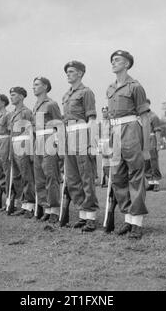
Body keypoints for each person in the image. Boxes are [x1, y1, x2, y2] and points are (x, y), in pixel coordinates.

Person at [106, 50, 150, 239]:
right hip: (114, 133)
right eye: (112, 61)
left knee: (136, 175)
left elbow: (145, 117)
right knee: (117, 176)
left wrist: (146, 147)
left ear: (126, 64)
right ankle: (128, 218)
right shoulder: (110, 88)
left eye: (117, 60)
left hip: (131, 129)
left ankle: (137, 222)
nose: (113, 63)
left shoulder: (135, 86)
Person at [62, 61, 99, 232]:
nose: (68, 74)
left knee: (86, 176)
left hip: (83, 134)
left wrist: (92, 142)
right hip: (69, 135)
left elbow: (91, 119)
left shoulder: (86, 92)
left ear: (80, 73)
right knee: (72, 177)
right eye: (67, 72)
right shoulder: (66, 95)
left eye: (71, 71)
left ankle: (90, 216)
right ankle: (82, 214)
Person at [33, 77, 62, 223]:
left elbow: (59, 124)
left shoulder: (51, 104)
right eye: (33, 85)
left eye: (37, 85)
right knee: (39, 177)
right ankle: (46, 208)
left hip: (49, 139)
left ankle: (55, 210)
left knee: (51, 175)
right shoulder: (36, 106)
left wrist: (58, 144)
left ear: (45, 86)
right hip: (38, 141)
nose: (34, 87)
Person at [8, 87, 35, 217]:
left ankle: (30, 205)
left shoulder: (26, 112)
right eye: (11, 95)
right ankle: (23, 204)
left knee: (26, 175)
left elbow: (30, 132)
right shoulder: (13, 113)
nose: (11, 97)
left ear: (21, 96)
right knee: (17, 176)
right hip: (14, 144)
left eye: (14, 95)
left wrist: (30, 150)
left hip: (24, 145)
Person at [0, 94, 11, 210]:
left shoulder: (8, 115)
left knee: (7, 172)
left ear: (3, 102)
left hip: (5, 142)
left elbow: (10, 132)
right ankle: (3, 197)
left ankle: (10, 200)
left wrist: (10, 150)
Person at [145, 99, 162, 192]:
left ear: (149, 104)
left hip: (152, 140)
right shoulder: (141, 117)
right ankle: (150, 182)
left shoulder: (153, 116)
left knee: (153, 162)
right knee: (146, 162)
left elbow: (157, 131)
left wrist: (158, 143)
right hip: (144, 142)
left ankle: (156, 182)